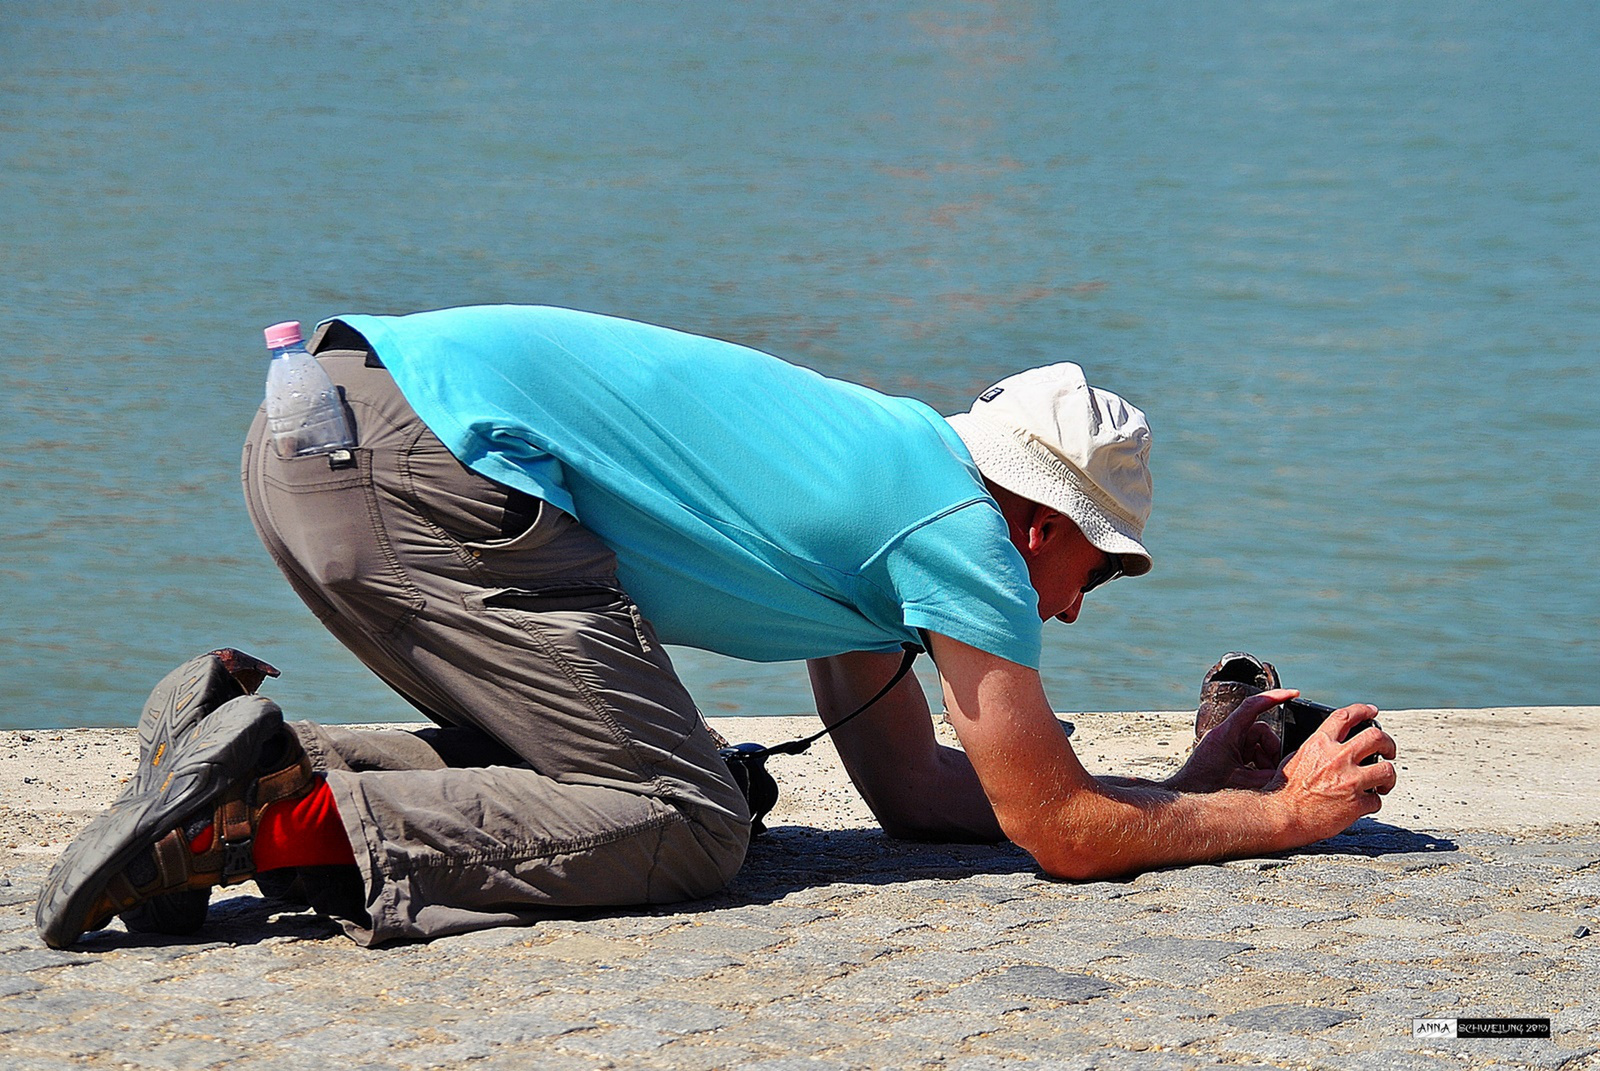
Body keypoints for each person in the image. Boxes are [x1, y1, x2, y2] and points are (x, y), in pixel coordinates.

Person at [37, 305, 1397, 949]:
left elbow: (925, 795)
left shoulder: (893, 484)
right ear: (1045, 524)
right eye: (1096, 575)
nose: (1070, 607)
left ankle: (224, 748)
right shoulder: (961, 537)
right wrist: (1274, 819)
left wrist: (1172, 790)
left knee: (624, 792)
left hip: (320, 436)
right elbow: (1053, 833)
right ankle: (253, 824)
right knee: (689, 821)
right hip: (418, 467)